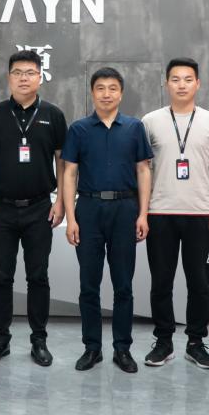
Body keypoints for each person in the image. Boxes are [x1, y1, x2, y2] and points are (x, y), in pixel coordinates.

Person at [0, 50, 67, 367]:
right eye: (17, 72)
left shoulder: (53, 115)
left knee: (38, 276)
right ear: (9, 77)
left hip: (39, 207)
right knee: (1, 276)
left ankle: (39, 340)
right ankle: (0, 340)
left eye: (30, 72)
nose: (23, 78)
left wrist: (61, 201)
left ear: (40, 77)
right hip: (0, 207)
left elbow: (62, 161)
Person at [62, 67, 153, 374]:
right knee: (89, 284)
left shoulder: (134, 127)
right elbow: (70, 173)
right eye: (100, 88)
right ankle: (92, 348)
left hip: (125, 209)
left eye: (112, 88)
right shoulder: (79, 129)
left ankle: (122, 349)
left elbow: (143, 170)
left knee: (123, 284)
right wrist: (71, 218)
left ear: (121, 93)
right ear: (92, 93)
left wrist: (143, 213)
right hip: (88, 209)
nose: (106, 94)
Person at [141, 58, 209, 370]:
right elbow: (143, 170)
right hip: (160, 213)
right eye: (175, 79)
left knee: (199, 284)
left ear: (198, 83)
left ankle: (196, 343)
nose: (181, 85)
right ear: (166, 83)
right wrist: (143, 212)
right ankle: (163, 341)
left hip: (200, 215)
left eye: (188, 79)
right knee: (161, 282)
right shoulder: (150, 121)